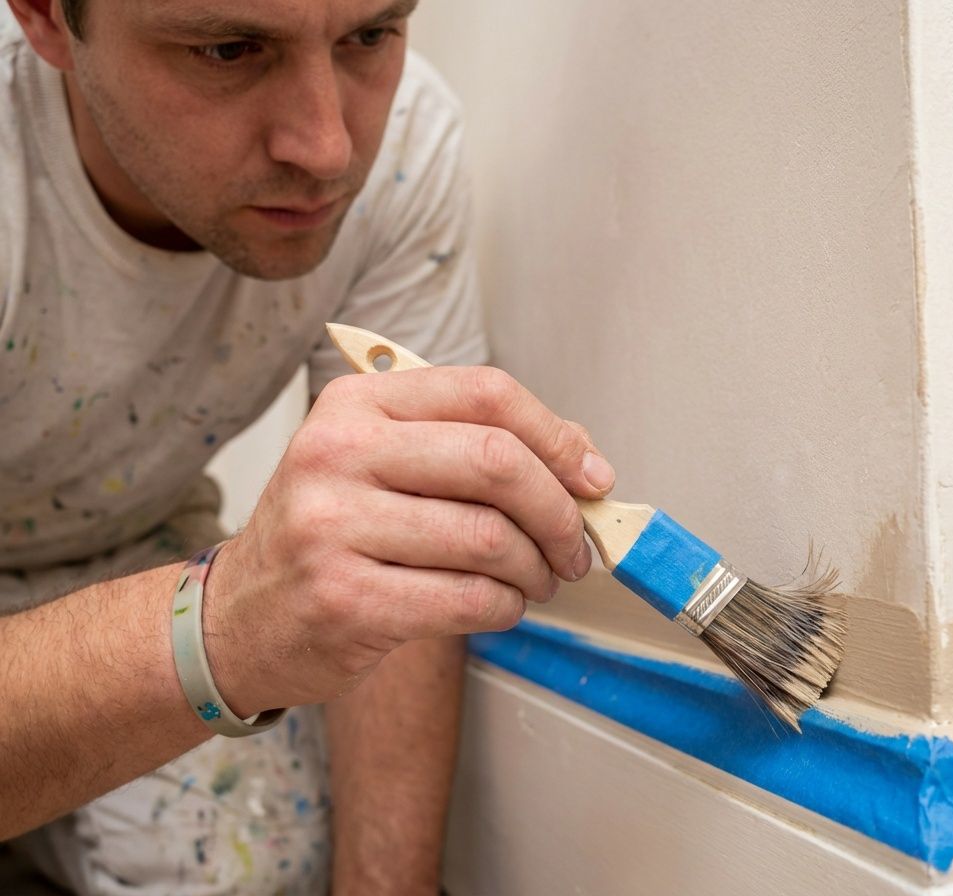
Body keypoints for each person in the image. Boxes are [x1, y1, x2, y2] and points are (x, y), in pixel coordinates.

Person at [0, 0, 616, 892]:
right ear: (48, 18)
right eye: (228, 48)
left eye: (370, 35)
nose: (328, 149)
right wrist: (225, 624)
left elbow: (408, 545)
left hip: (121, 553)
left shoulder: (401, 154)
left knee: (253, 862)